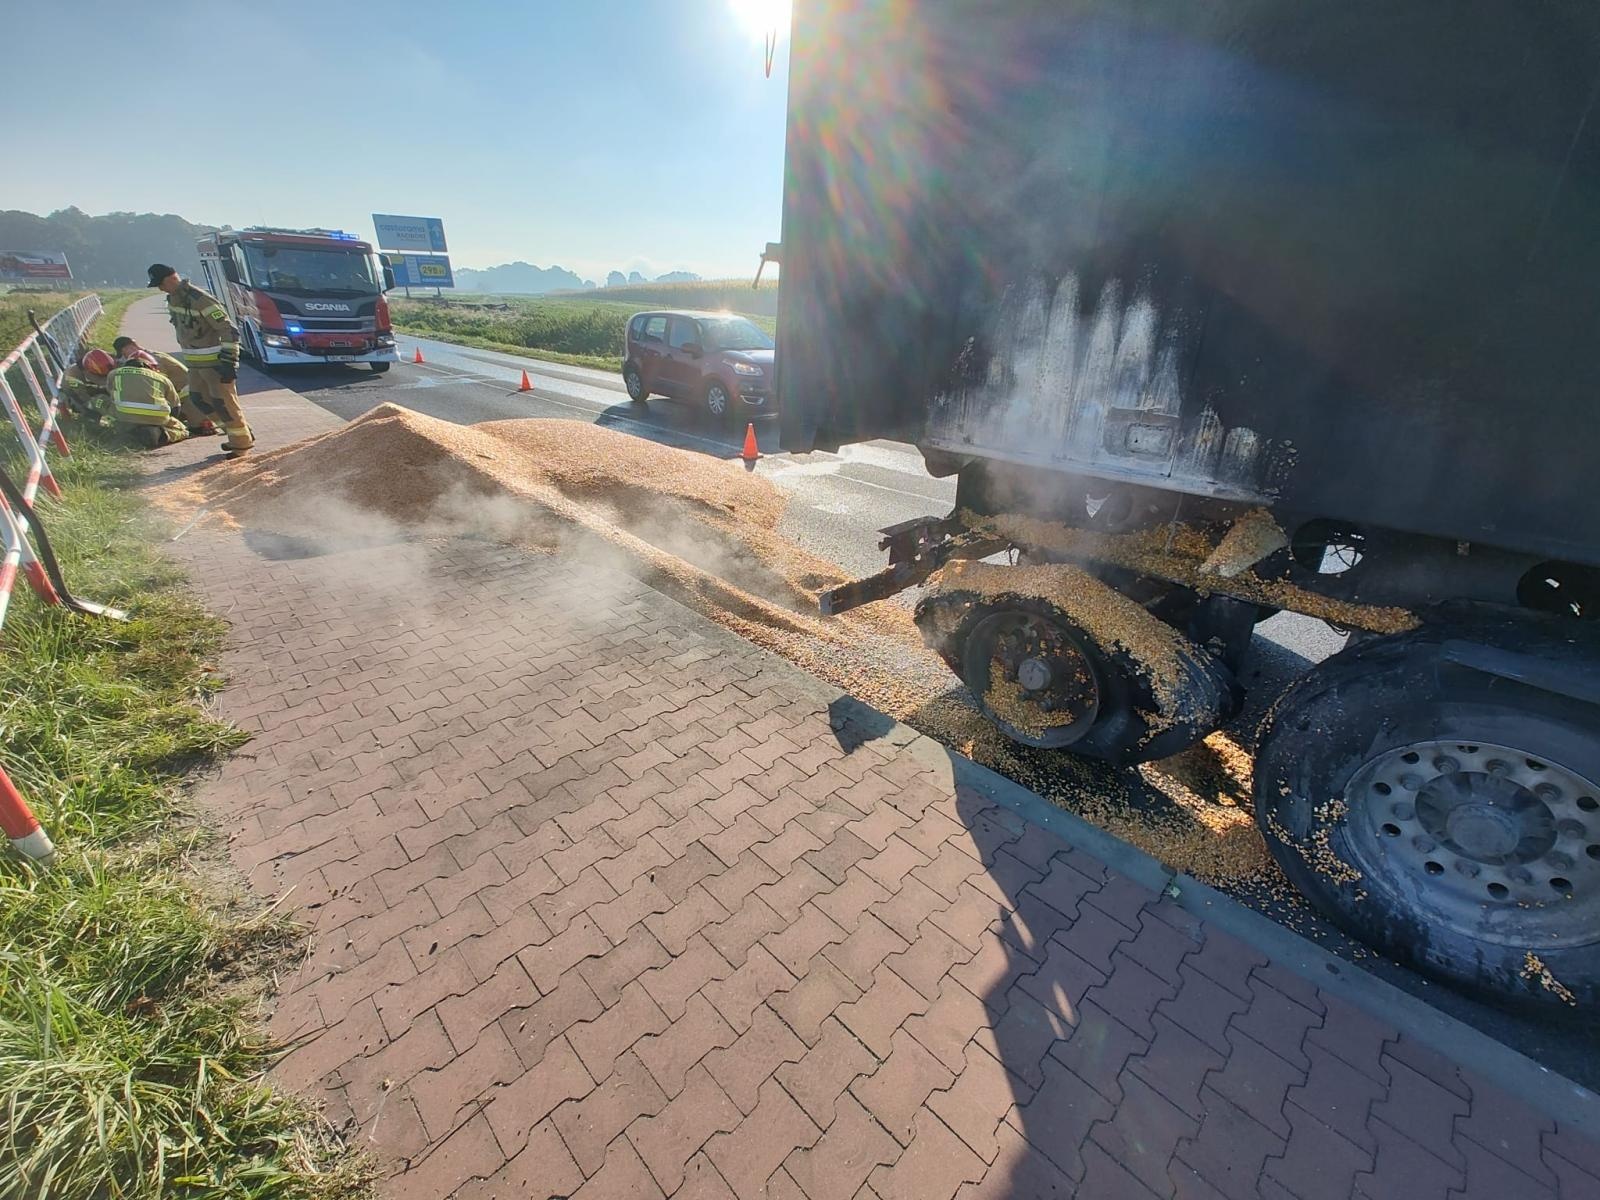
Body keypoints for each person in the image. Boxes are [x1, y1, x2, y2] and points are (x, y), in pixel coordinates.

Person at [146, 263, 254, 454]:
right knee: (198, 399)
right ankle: (237, 432)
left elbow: (228, 330)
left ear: (172, 278)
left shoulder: (200, 300)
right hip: (195, 365)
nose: (160, 288)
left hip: (214, 365)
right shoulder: (173, 300)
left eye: (160, 284)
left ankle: (241, 444)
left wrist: (229, 362)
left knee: (224, 404)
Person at [112, 335, 216, 435]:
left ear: (129, 347)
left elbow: (156, 383)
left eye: (123, 353)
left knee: (196, 426)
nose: (124, 358)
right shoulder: (150, 354)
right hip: (187, 389)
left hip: (189, 393)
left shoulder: (150, 360)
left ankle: (203, 422)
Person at [103, 359, 189, 448]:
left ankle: (123, 431)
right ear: (147, 367)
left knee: (102, 403)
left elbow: (110, 394)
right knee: (183, 430)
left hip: (124, 416)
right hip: (157, 418)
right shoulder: (162, 378)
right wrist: (170, 421)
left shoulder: (114, 373)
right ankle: (164, 434)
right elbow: (176, 407)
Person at [60, 348, 114, 418]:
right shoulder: (73, 374)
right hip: (75, 395)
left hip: (88, 388)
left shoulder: (103, 360)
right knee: (93, 409)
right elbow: (82, 396)